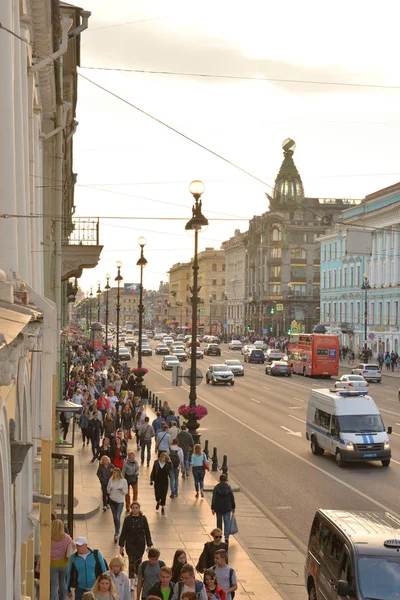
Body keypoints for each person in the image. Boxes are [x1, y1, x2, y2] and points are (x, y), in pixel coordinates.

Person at [119, 501, 153, 590]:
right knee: (131, 562)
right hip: (130, 544)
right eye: (133, 508)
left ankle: (138, 578)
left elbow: (147, 531)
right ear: (131, 509)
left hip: (140, 544)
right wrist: (121, 546)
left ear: (139, 508)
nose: (135, 510)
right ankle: (132, 581)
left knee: (138, 561)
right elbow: (123, 532)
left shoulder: (143, 519)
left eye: (136, 508)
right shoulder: (128, 519)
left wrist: (149, 544)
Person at [47, 519, 74, 600]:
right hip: (64, 563)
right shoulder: (67, 538)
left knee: (54, 584)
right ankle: (63, 598)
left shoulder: (49, 537)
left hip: (52, 564)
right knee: (62, 582)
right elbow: (73, 547)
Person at [211, 475, 236, 544]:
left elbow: (214, 498)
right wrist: (233, 507)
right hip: (227, 508)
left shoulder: (216, 488)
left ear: (219, 479)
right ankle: (226, 537)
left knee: (219, 523)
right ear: (226, 480)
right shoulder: (228, 488)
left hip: (218, 508)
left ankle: (219, 535)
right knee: (227, 523)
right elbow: (232, 498)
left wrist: (212, 508)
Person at [107, 468, 128, 543]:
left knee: (117, 516)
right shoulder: (111, 480)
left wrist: (122, 490)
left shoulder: (124, 481)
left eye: (115, 473)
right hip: (112, 500)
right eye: (113, 473)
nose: (114, 474)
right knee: (114, 517)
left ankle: (117, 532)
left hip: (120, 501)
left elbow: (126, 492)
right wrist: (110, 489)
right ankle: (117, 530)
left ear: (119, 473)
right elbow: (108, 490)